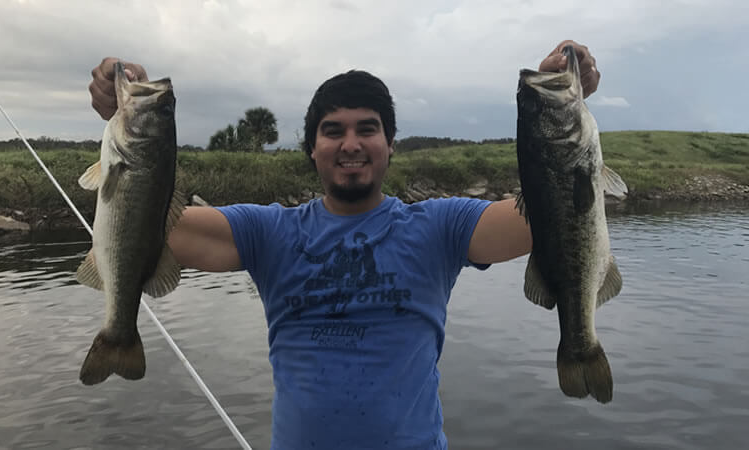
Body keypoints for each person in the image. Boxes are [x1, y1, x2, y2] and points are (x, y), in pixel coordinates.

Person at [88, 40, 600, 450]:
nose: (350, 143)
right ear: (312, 148)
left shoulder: (440, 228)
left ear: (391, 144)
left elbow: (553, 216)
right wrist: (129, 129)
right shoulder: (269, 233)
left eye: (367, 129)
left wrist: (556, 116)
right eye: (332, 131)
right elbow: (141, 224)